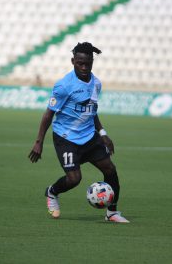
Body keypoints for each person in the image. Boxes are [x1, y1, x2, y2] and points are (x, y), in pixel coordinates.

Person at [28, 42, 129, 223]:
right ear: (73, 61)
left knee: (110, 169)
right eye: (80, 63)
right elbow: (48, 114)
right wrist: (39, 142)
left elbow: (91, 111)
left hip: (89, 136)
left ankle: (112, 212)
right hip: (66, 138)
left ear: (92, 62)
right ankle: (52, 192)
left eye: (87, 64)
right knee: (74, 179)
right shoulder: (64, 86)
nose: (84, 67)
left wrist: (103, 132)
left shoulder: (96, 83)